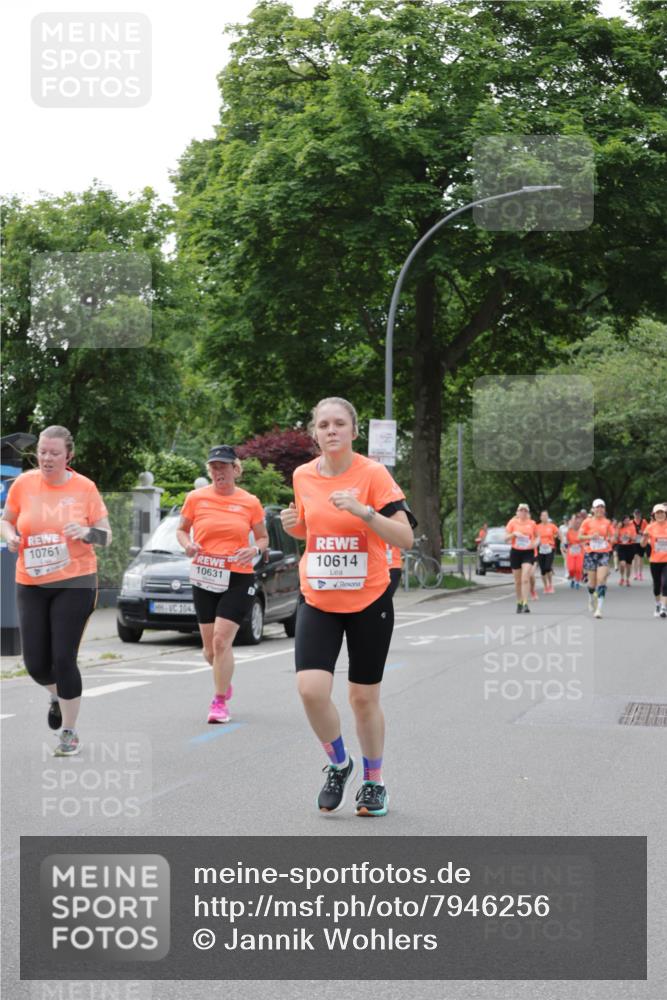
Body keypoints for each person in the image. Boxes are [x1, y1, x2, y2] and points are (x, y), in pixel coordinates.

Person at [280, 397, 414, 818]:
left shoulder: (373, 474)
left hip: (368, 597)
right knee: (310, 690)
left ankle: (374, 783)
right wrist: (294, 527)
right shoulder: (302, 476)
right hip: (318, 595)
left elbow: (405, 538)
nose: (331, 430)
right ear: (314, 433)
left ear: (354, 432)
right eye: (323, 424)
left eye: (339, 424)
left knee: (362, 699)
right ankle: (339, 764)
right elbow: (312, 529)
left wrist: (365, 512)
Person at [0, 426, 111, 756]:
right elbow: (6, 520)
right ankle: (57, 696)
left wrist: (87, 531)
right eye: (42, 452)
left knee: (63, 658)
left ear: (69, 456)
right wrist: (9, 535)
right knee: (35, 664)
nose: (46, 458)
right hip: (31, 581)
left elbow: (106, 536)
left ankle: (69, 731)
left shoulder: (84, 488)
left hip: (75, 581)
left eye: (54, 453)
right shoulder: (23, 484)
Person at [176, 446, 268, 724]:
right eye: (214, 467)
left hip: (237, 576)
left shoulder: (250, 502)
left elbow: (263, 539)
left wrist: (253, 551)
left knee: (221, 640)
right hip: (205, 575)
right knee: (209, 650)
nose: (219, 471)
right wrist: (188, 545)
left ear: (235, 469)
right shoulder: (195, 498)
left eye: (224, 466)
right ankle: (223, 681)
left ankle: (219, 702)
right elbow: (181, 530)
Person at [579, 499, 616, 618]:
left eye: (602, 507)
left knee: (601, 581)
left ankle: (599, 609)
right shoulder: (587, 522)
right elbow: (579, 536)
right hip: (590, 553)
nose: (599, 509)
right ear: (593, 509)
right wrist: (590, 536)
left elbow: (613, 536)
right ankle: (590, 598)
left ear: (604, 509)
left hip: (604, 553)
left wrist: (611, 539)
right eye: (597, 507)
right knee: (592, 584)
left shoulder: (607, 522)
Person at [505, 503, 538, 613]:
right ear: (517, 512)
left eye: (525, 511)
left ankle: (525, 603)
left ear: (528, 513)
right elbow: (505, 538)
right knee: (518, 581)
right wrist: (514, 534)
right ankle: (519, 602)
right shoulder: (512, 523)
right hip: (515, 552)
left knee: (525, 578)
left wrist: (535, 544)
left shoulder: (532, 523)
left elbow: (538, 537)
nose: (523, 512)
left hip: (528, 552)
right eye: (521, 510)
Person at [639, 504, 667, 618]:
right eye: (657, 513)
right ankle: (657, 604)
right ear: (654, 515)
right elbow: (642, 544)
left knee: (666, 584)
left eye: (662, 512)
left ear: (665, 514)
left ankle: (664, 608)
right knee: (657, 586)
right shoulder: (650, 527)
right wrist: (645, 537)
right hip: (655, 560)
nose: (660, 515)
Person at [535, 510, 559, 594]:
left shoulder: (552, 526)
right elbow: (534, 536)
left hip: (550, 548)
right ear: (540, 517)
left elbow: (557, 533)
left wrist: (554, 537)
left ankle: (551, 585)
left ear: (547, 517)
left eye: (546, 516)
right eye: (543, 516)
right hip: (541, 548)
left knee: (547, 567)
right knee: (542, 570)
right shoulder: (537, 527)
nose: (544, 517)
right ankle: (545, 587)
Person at [616, 515, 637, 587]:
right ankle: (622, 577)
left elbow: (635, 539)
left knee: (628, 566)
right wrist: (617, 529)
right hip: (621, 547)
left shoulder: (632, 527)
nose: (627, 522)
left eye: (628, 520)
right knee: (622, 564)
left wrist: (629, 537)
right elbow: (615, 538)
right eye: (625, 520)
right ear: (623, 521)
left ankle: (627, 579)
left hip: (630, 547)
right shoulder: (620, 527)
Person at [565, 512, 585, 588]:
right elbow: (566, 542)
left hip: (580, 551)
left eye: (578, 522)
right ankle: (572, 578)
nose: (577, 524)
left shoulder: (582, 531)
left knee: (579, 568)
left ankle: (577, 581)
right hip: (571, 552)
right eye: (576, 522)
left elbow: (585, 540)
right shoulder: (569, 531)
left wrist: (582, 544)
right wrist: (566, 545)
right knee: (571, 568)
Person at [631, 509, 647, 580]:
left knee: (641, 558)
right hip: (634, 542)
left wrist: (642, 532)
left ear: (640, 514)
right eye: (636, 514)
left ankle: (640, 573)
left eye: (638, 514)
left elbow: (648, 530)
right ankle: (635, 574)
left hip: (641, 541)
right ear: (633, 514)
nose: (637, 515)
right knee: (635, 557)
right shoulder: (631, 522)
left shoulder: (644, 521)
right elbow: (629, 531)